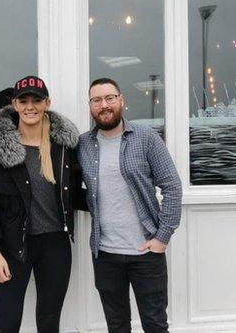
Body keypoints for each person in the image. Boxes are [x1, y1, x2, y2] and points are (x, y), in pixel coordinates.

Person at [0, 75, 84, 333]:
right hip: (13, 247)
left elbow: (77, 192)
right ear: (15, 104)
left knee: (49, 322)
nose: (30, 106)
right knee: (7, 324)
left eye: (36, 99)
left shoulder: (63, 148)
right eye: (24, 100)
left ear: (47, 103)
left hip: (55, 244)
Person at [77, 77, 182, 333]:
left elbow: (172, 186)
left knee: (155, 324)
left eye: (110, 98)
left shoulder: (145, 137)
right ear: (90, 106)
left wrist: (162, 237)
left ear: (121, 100)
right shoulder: (82, 145)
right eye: (97, 100)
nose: (104, 105)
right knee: (117, 326)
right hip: (105, 254)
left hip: (146, 253)